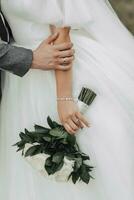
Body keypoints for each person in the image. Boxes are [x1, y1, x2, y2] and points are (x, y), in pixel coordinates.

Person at [0, 0, 134, 200]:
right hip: (26, 76)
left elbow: (61, 29)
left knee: (98, 151)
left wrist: (64, 97)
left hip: (64, 68)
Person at [0, 12, 74, 98]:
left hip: (58, 65)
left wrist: (64, 97)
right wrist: (31, 58)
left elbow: (60, 28)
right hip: (20, 73)